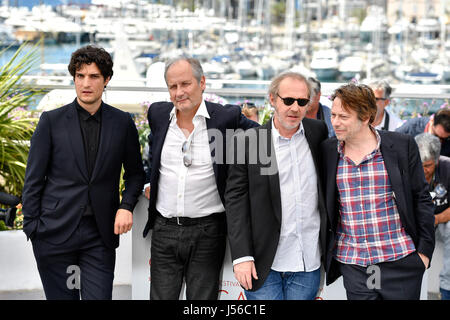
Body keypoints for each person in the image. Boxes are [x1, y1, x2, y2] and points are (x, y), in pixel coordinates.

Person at [22, 45, 145, 300]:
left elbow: (135, 173)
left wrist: (126, 206)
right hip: (54, 233)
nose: (86, 83)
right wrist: (33, 228)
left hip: (98, 235)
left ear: (107, 79)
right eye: (80, 76)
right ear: (74, 78)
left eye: (94, 76)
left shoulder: (122, 123)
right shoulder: (51, 121)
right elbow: (33, 179)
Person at [143, 56, 258, 300]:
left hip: (208, 231)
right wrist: (148, 181)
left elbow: (263, 139)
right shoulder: (158, 114)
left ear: (202, 82)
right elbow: (153, 150)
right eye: (173, 87)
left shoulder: (225, 118)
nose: (179, 92)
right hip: (164, 230)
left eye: (185, 84)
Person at [321, 83, 435, 300]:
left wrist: (423, 254)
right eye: (333, 115)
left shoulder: (401, 145)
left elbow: (421, 198)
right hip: (354, 263)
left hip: (400, 259)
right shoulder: (327, 150)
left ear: (365, 117)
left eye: (343, 117)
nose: (335, 122)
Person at [225, 71, 329, 300]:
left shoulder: (317, 132)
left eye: (302, 102)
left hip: (307, 261)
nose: (295, 108)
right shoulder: (249, 141)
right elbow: (236, 200)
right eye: (288, 100)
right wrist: (241, 256)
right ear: (272, 99)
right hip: (262, 263)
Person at [415, 133, 450, 300]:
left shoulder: (448, 167)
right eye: (419, 165)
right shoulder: (407, 167)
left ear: (436, 161)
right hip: (417, 222)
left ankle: (446, 289)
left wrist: (436, 219)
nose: (423, 170)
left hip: (441, 220)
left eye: (428, 165)